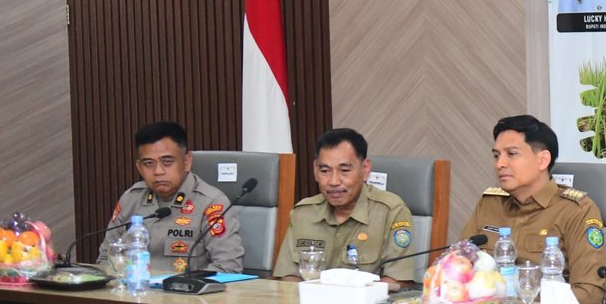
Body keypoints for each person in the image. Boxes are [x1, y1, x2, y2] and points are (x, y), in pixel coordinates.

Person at [460, 115, 606, 304]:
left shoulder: (576, 211)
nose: (499, 164)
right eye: (496, 156)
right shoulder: (489, 203)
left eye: (511, 154)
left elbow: (590, 295)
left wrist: (519, 297)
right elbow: (458, 269)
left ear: (542, 160)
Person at [273, 128, 417, 284]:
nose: (333, 181)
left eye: (344, 170)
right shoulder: (304, 213)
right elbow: (287, 276)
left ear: (365, 169)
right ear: (315, 170)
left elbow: (398, 281)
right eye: (325, 170)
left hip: (366, 299)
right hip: (311, 298)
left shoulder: (391, 211)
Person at [99, 121, 244, 276]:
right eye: (149, 163)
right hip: (134, 289)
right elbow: (105, 259)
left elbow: (228, 268)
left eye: (167, 162)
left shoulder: (211, 203)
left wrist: (181, 284)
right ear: (139, 167)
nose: (158, 171)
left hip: (185, 290)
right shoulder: (131, 199)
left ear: (187, 162)